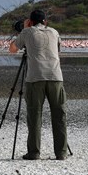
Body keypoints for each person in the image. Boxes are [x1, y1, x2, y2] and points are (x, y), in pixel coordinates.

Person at [9, 10, 68, 160]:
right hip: (56, 77)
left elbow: (12, 49)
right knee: (59, 115)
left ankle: (34, 153)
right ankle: (61, 153)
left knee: (34, 115)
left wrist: (23, 30)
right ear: (45, 22)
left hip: (35, 78)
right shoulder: (54, 32)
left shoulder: (27, 32)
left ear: (30, 21)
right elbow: (57, 51)